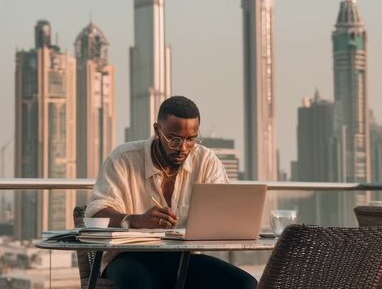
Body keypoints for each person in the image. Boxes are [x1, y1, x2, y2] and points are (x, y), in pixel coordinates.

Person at [85, 96, 257, 289]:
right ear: (157, 130)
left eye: (191, 139)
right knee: (139, 283)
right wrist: (136, 220)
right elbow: (95, 212)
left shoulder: (206, 161)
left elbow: (224, 210)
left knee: (245, 284)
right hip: (129, 256)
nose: (183, 148)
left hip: (184, 258)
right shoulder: (123, 159)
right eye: (174, 139)